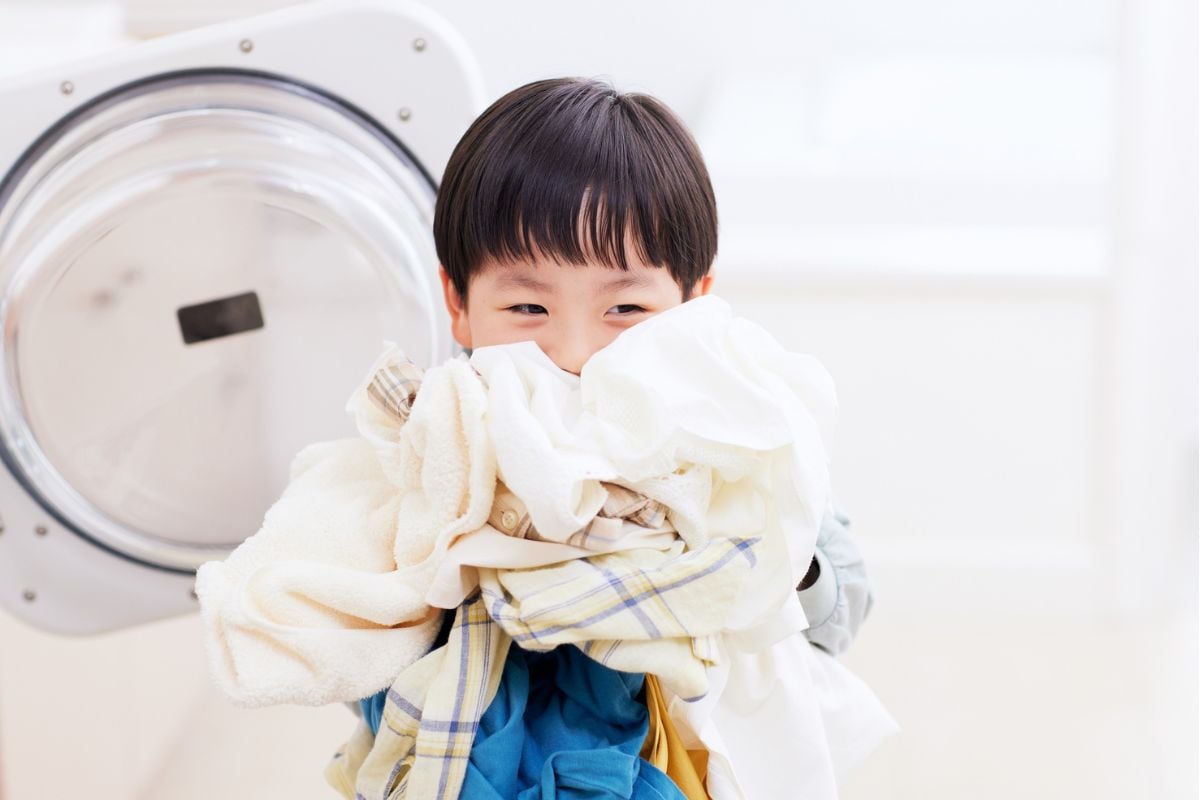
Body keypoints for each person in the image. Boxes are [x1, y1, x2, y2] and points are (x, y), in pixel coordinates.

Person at [345, 75, 878, 795]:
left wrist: (761, 542)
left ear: (695, 307)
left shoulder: (732, 431)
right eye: (528, 306)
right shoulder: (439, 433)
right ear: (459, 306)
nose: (574, 351)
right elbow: (347, 620)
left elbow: (837, 613)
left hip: (680, 752)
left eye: (625, 307)